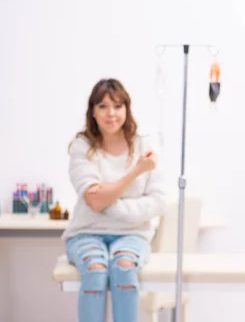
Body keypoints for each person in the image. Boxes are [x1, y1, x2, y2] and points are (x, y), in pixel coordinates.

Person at [61, 78, 167, 322]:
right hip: (87, 232)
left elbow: (158, 201)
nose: (111, 113)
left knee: (124, 268)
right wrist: (136, 171)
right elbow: (94, 200)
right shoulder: (82, 146)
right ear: (93, 112)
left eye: (118, 106)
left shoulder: (144, 145)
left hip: (133, 234)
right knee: (95, 270)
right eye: (103, 106)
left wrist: (109, 204)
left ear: (127, 109)